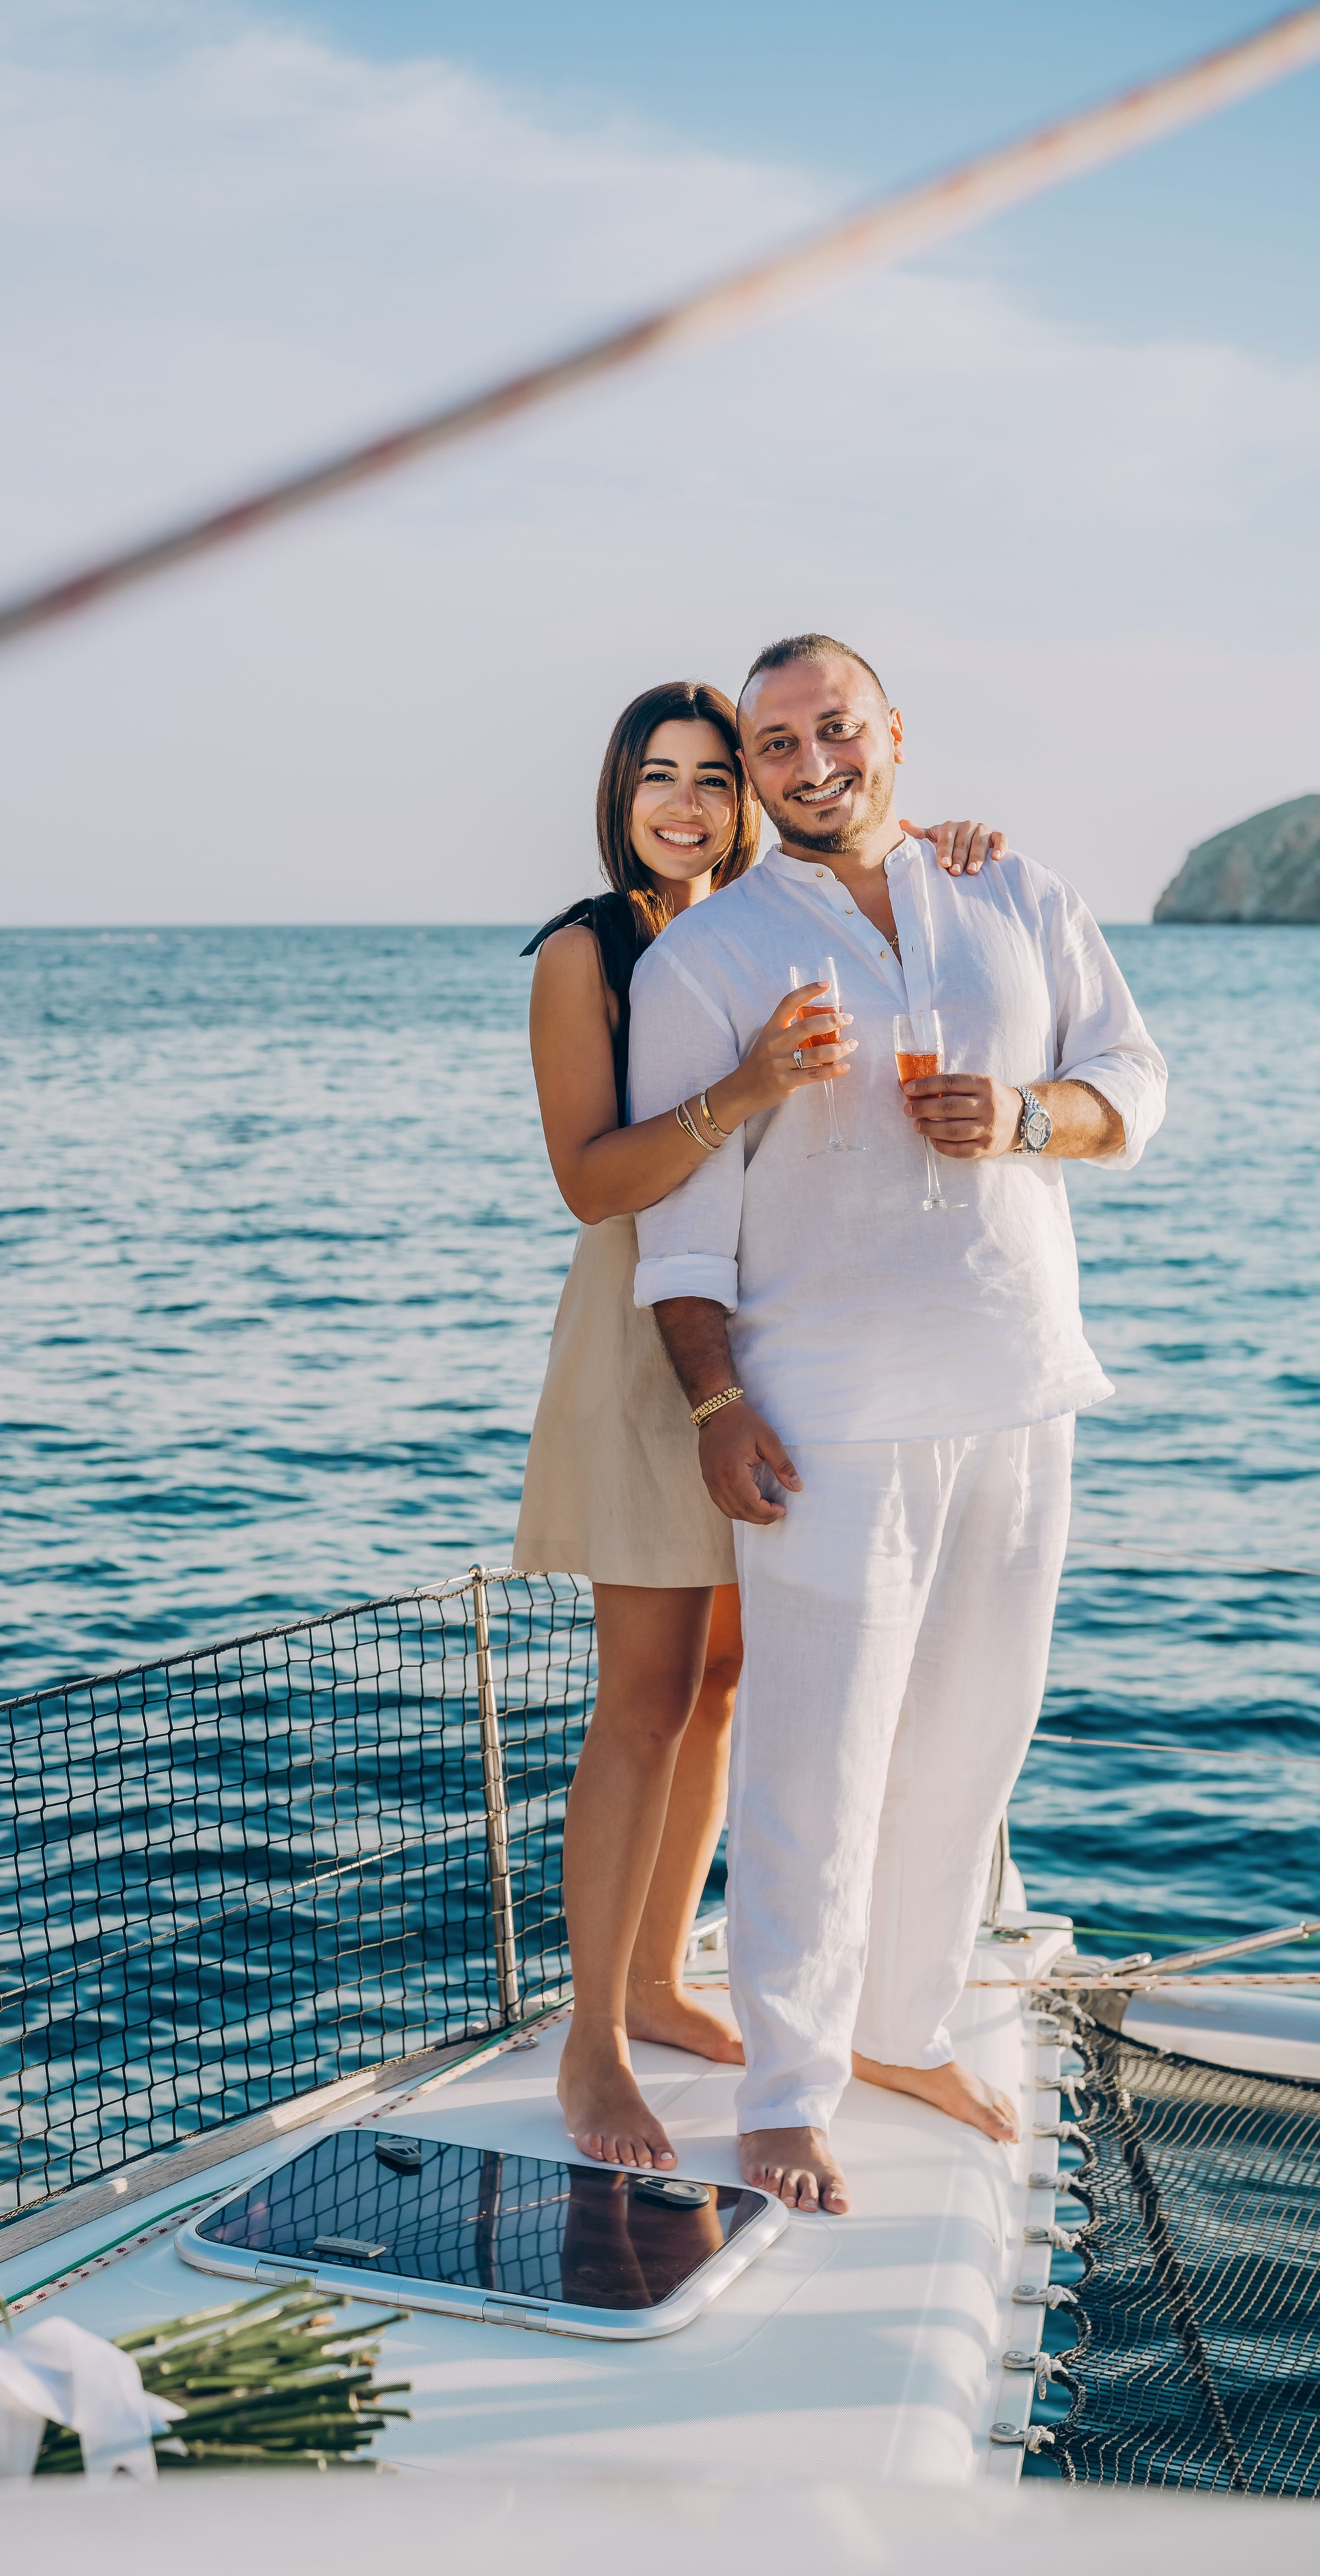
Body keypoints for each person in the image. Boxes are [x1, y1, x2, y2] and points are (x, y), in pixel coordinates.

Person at [627, 634, 1167, 2213]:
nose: (811, 764)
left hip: (1018, 1378)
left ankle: (903, 2026)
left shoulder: (1014, 895)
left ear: (892, 734)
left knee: (969, 1741)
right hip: (825, 1415)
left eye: (835, 731)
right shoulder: (700, 963)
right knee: (817, 1754)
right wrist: (715, 1405)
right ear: (753, 766)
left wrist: (1018, 1117)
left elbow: (1129, 1075)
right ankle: (786, 2089)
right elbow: (677, 1230)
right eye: (776, 742)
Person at [517, 677, 1011, 2172]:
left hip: (777, 1331)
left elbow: (882, 865)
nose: (686, 804)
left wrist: (942, 843)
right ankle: (590, 2047)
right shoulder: (584, 953)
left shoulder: (768, 926)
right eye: (656, 777)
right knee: (644, 1693)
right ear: (619, 799)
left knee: (731, 1679)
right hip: (646, 1342)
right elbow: (591, 1185)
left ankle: (666, 1979)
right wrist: (741, 1088)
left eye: (713, 778)